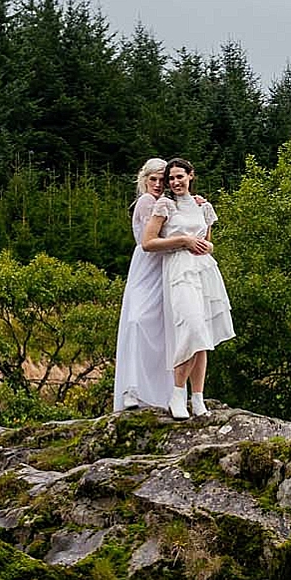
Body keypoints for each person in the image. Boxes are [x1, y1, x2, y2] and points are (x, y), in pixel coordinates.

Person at [139, 158, 234, 418]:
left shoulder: (204, 207)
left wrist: (206, 246)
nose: (175, 182)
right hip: (179, 269)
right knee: (191, 327)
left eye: (180, 176)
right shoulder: (165, 205)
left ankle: (198, 398)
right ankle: (177, 394)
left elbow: (208, 242)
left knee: (203, 335)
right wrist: (182, 240)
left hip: (204, 270)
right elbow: (148, 243)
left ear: (191, 176)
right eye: (171, 178)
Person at [112, 159, 183, 412]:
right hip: (147, 264)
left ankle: (157, 391)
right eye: (152, 179)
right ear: (144, 180)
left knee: (160, 327)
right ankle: (133, 388)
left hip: (163, 264)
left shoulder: (167, 203)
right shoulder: (146, 202)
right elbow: (149, 240)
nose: (157, 184)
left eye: (161, 180)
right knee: (138, 321)